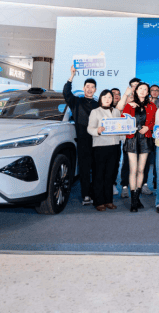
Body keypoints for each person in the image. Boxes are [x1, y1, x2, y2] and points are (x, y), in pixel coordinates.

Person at [63, 66, 99, 206]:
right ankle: (86, 195)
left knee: (96, 170)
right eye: (87, 86)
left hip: (98, 141)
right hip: (83, 141)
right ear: (84, 88)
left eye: (92, 87)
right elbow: (66, 93)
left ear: (95, 90)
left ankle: (95, 194)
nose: (89, 89)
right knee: (84, 169)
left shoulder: (99, 105)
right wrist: (71, 76)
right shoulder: (76, 102)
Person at [122, 82, 157, 212]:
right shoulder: (129, 105)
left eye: (145, 89)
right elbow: (123, 121)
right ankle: (133, 201)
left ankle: (137, 198)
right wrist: (128, 107)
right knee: (133, 169)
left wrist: (148, 127)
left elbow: (155, 121)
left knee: (141, 170)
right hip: (132, 139)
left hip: (145, 139)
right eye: (140, 88)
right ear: (136, 91)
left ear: (148, 92)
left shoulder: (152, 106)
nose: (142, 91)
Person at [86, 90, 122, 212]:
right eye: (105, 97)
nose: (107, 99)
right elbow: (89, 128)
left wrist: (124, 135)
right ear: (101, 98)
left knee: (110, 175)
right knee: (99, 174)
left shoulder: (116, 111)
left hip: (114, 145)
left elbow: (119, 127)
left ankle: (108, 201)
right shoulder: (95, 111)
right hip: (100, 146)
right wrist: (97, 130)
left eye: (110, 97)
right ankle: (99, 201)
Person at [118, 78, 140, 198]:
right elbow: (119, 108)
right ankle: (125, 186)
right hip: (129, 138)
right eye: (133, 85)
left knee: (141, 165)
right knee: (127, 163)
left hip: (142, 138)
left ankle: (140, 186)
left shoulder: (143, 99)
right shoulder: (128, 97)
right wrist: (126, 97)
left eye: (137, 85)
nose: (135, 87)